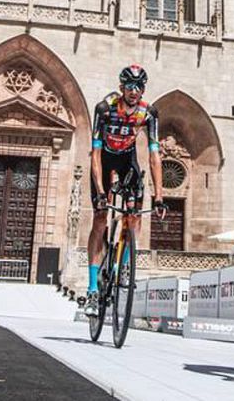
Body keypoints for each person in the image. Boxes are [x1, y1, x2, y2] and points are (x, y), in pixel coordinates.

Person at [82, 64, 162, 317]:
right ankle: (93, 288)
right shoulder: (104, 110)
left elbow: (154, 154)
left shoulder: (148, 114)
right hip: (105, 160)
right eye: (130, 86)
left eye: (139, 87)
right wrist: (100, 190)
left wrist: (159, 195)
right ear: (121, 88)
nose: (134, 91)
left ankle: (125, 265)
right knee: (98, 220)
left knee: (135, 215)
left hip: (128, 159)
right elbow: (95, 154)